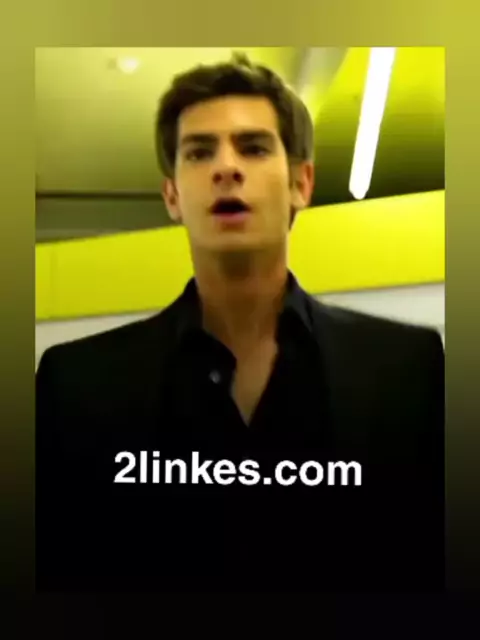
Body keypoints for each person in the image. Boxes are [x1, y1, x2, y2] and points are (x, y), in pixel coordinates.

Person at [36, 52, 444, 592]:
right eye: (199, 152)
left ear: (301, 183)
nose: (226, 168)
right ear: (172, 195)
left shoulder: (408, 369)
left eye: (253, 147)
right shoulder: (74, 384)